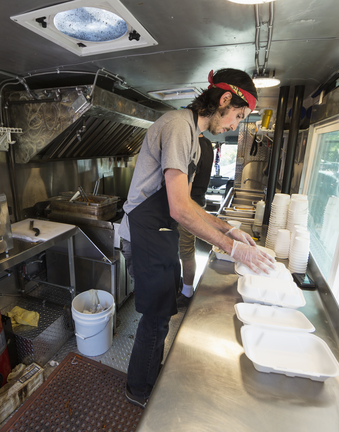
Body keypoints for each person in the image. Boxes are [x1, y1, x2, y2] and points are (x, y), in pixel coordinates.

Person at [118, 68, 276, 408]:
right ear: (223, 100)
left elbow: (187, 204)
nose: (235, 124)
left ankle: (148, 378)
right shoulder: (178, 126)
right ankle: (139, 390)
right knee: (156, 315)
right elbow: (178, 208)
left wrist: (226, 228)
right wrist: (232, 249)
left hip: (159, 233)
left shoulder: (195, 139)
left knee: (163, 312)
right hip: (143, 234)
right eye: (238, 115)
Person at [176, 133, 214, 309]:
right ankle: (182, 288)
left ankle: (186, 293)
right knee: (185, 250)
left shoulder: (192, 145)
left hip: (188, 206)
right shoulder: (207, 144)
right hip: (197, 203)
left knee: (186, 251)